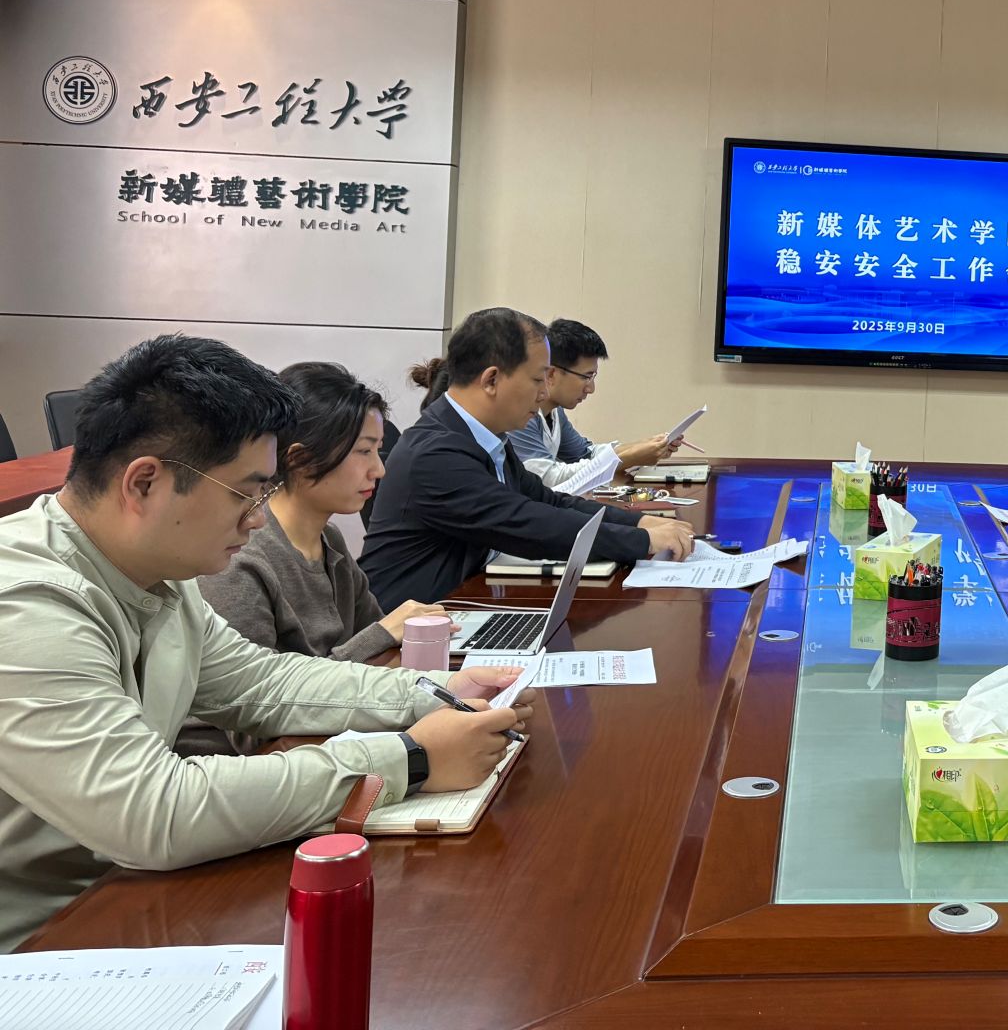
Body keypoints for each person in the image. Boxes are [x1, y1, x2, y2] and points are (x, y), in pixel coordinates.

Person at [0, 336, 534, 953]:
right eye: (246, 493)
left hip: (130, 898)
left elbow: (262, 682)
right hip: (46, 942)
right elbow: (152, 811)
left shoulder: (158, 573)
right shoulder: (26, 603)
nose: (258, 518)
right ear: (145, 483)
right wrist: (409, 760)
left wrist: (434, 691)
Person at [178, 363, 441, 756]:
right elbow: (250, 727)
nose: (379, 469)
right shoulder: (239, 559)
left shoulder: (328, 540)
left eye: (378, 451)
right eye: (364, 451)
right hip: (242, 764)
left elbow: (380, 654)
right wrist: (382, 635)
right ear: (300, 459)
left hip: (322, 738)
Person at [359, 309, 694, 610]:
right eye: (537, 379)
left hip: (459, 605)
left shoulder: (485, 439)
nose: (544, 393)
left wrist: (639, 522)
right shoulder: (436, 453)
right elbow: (530, 525)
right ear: (491, 380)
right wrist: (642, 540)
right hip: (407, 632)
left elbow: (549, 501)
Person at [507, 318, 680, 491]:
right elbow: (547, 479)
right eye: (586, 377)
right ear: (551, 374)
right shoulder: (521, 414)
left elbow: (585, 453)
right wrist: (629, 457)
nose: (591, 388)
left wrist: (644, 446)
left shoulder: (554, 412)